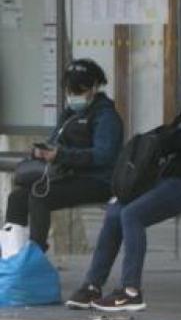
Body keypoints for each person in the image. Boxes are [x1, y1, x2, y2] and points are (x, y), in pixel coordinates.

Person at [67, 59, 181, 312]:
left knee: (132, 215)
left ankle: (131, 291)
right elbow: (163, 136)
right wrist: (173, 138)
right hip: (167, 178)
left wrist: (172, 139)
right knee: (116, 211)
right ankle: (92, 285)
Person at [3, 59, 122, 252]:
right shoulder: (68, 115)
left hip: (97, 180)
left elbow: (104, 155)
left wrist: (62, 155)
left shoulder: (106, 116)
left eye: (79, 91)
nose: (73, 96)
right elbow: (55, 142)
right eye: (69, 91)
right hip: (67, 175)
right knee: (17, 198)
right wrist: (43, 152)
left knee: (40, 196)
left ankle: (35, 253)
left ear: (94, 88)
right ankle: (12, 256)